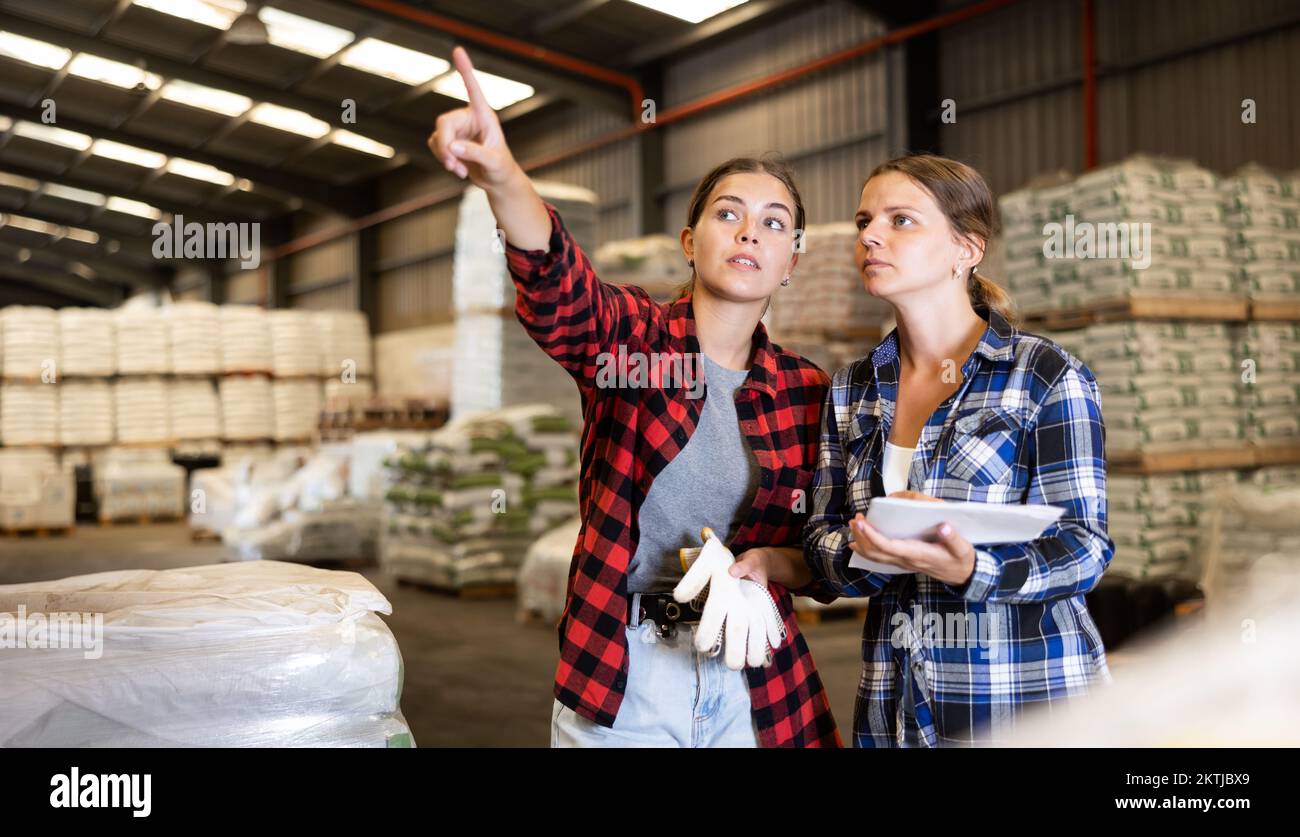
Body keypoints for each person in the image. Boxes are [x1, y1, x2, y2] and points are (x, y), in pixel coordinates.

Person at [428, 46, 841, 747]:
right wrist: (502, 175)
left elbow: (823, 548)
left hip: (752, 673)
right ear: (690, 239)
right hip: (628, 668)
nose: (750, 231)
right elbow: (559, 283)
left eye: (774, 223)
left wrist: (769, 565)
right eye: (728, 213)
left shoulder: (805, 391)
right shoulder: (636, 341)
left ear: (791, 262)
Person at [734, 153, 1113, 747]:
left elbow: (1085, 550)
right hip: (896, 702)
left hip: (1023, 700)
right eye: (864, 222)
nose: (871, 236)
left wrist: (971, 568)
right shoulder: (853, 389)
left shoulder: (1043, 376)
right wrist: (869, 551)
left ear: (967, 249)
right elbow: (823, 537)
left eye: (900, 220)